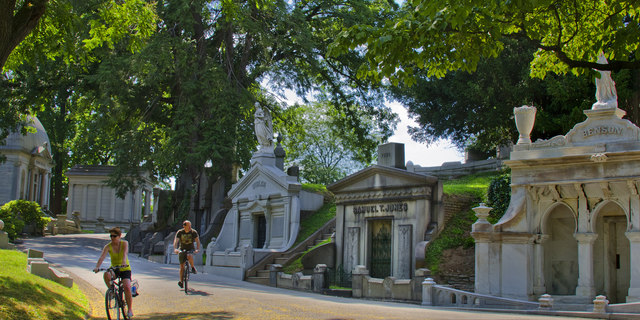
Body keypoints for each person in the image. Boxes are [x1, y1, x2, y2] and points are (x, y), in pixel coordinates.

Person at [94, 227, 134, 318]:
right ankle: (112, 292)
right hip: (115, 268)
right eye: (111, 236)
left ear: (119, 236)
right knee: (106, 274)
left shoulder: (124, 243)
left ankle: (130, 309)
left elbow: (124, 254)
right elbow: (102, 257)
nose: (112, 238)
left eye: (114, 236)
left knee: (127, 287)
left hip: (125, 268)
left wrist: (123, 262)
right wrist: (97, 267)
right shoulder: (108, 246)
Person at [173, 220, 201, 288]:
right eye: (188, 226)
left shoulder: (193, 232)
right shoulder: (180, 232)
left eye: (190, 226)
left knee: (189, 255)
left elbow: (197, 241)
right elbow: (176, 241)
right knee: (182, 266)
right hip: (182, 249)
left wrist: (197, 249)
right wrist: (175, 249)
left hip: (190, 248)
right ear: (184, 226)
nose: (189, 227)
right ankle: (181, 281)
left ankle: (192, 267)